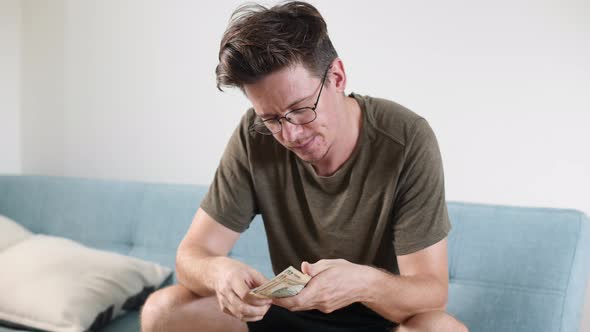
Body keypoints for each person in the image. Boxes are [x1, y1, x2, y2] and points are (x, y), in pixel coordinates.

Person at [141, 1, 468, 331]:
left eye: (301, 109)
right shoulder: (253, 136)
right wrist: (219, 274)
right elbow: (191, 256)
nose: (290, 134)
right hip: (289, 317)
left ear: (337, 77)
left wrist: (361, 284)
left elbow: (431, 294)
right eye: (271, 118)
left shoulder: (406, 137)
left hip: (382, 321)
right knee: (163, 310)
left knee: (440, 328)